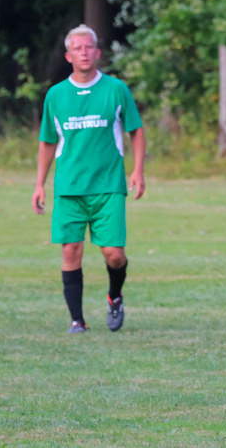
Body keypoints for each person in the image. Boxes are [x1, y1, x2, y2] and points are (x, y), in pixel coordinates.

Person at [32, 24, 146, 334]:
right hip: (69, 187)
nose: (84, 52)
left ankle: (115, 296)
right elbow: (47, 141)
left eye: (89, 47)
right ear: (68, 56)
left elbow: (136, 131)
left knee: (115, 254)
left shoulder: (116, 89)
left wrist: (137, 170)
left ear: (97, 52)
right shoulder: (56, 95)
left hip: (108, 185)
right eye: (77, 48)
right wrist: (40, 183)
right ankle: (77, 320)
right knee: (71, 249)